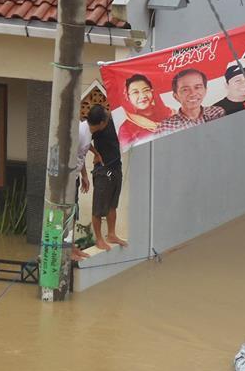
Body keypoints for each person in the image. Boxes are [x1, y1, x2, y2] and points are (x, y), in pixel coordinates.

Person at [87, 104, 128, 251]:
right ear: (101, 122)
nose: (108, 114)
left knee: (112, 204)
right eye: (106, 114)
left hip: (116, 167)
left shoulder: (113, 120)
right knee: (98, 208)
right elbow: (84, 142)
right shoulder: (94, 129)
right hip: (103, 171)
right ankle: (98, 239)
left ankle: (111, 234)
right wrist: (96, 154)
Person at [155, 68, 226, 135]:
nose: (193, 93)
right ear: (175, 96)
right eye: (185, 89)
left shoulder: (217, 112)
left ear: (205, 90)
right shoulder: (166, 127)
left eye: (197, 87)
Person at [118, 74, 173, 150]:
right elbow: (129, 154)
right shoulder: (126, 129)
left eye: (146, 90)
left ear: (152, 91)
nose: (142, 96)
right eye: (135, 92)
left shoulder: (170, 114)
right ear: (128, 96)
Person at [71, 118, 93, 261]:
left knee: (73, 213)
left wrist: (84, 175)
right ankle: (66, 249)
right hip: (66, 180)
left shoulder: (88, 132)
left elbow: (81, 155)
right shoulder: (78, 132)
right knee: (67, 215)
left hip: (75, 177)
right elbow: (71, 154)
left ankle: (71, 246)